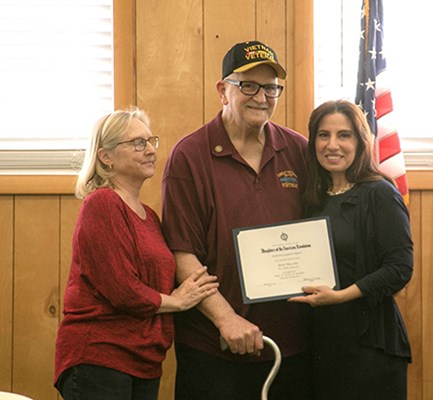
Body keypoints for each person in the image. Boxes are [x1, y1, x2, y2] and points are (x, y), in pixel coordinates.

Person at [161, 40, 311, 400]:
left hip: (293, 346)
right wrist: (226, 319)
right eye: (248, 85)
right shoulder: (190, 156)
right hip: (215, 349)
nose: (262, 96)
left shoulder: (299, 150)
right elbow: (182, 253)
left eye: (271, 87)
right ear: (222, 91)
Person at [54, 107, 219, 400]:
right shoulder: (102, 204)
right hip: (101, 356)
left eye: (150, 141)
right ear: (106, 156)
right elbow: (123, 290)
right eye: (138, 143)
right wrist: (178, 301)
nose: (150, 151)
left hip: (144, 362)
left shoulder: (150, 217)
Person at [288, 99, 413, 400]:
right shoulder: (313, 198)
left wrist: (340, 297)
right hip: (323, 344)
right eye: (323, 135)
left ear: (360, 141)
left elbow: (400, 268)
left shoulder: (380, 193)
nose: (333, 145)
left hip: (369, 344)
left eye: (344, 135)